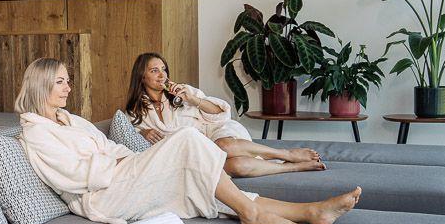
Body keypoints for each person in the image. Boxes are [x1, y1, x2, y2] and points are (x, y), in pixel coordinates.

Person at [17, 58, 359, 224]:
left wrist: (125, 158)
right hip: (104, 195)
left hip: (122, 174)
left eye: (67, 80)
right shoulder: (36, 133)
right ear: (41, 85)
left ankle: (311, 212)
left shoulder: (69, 119)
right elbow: (74, 176)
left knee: (203, 182)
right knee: (188, 140)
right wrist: (120, 161)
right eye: (60, 81)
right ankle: (252, 214)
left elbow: (110, 147)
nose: (68, 87)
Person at [125, 52, 325, 178]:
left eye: (164, 69)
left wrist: (192, 99)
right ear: (142, 77)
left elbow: (219, 113)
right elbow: (129, 137)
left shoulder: (182, 92)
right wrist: (143, 133)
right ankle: (292, 168)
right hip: (195, 153)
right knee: (236, 166)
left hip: (216, 132)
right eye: (155, 71)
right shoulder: (135, 112)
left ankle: (287, 154)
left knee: (223, 146)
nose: (162, 75)